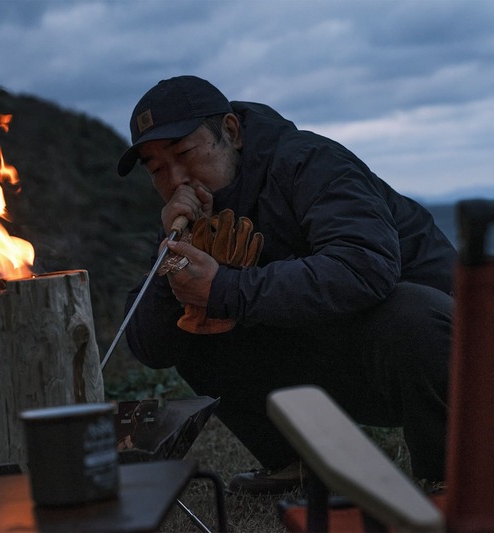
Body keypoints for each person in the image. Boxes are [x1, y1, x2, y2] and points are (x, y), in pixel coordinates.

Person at [117, 75, 456, 494]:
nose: (177, 179)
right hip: (326, 358)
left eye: (184, 152)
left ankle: (448, 473)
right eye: (157, 170)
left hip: (436, 360)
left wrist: (224, 288)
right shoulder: (191, 215)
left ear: (231, 131)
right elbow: (151, 346)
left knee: (411, 313)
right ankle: (295, 462)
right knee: (194, 325)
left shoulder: (308, 162)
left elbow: (364, 267)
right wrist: (174, 258)